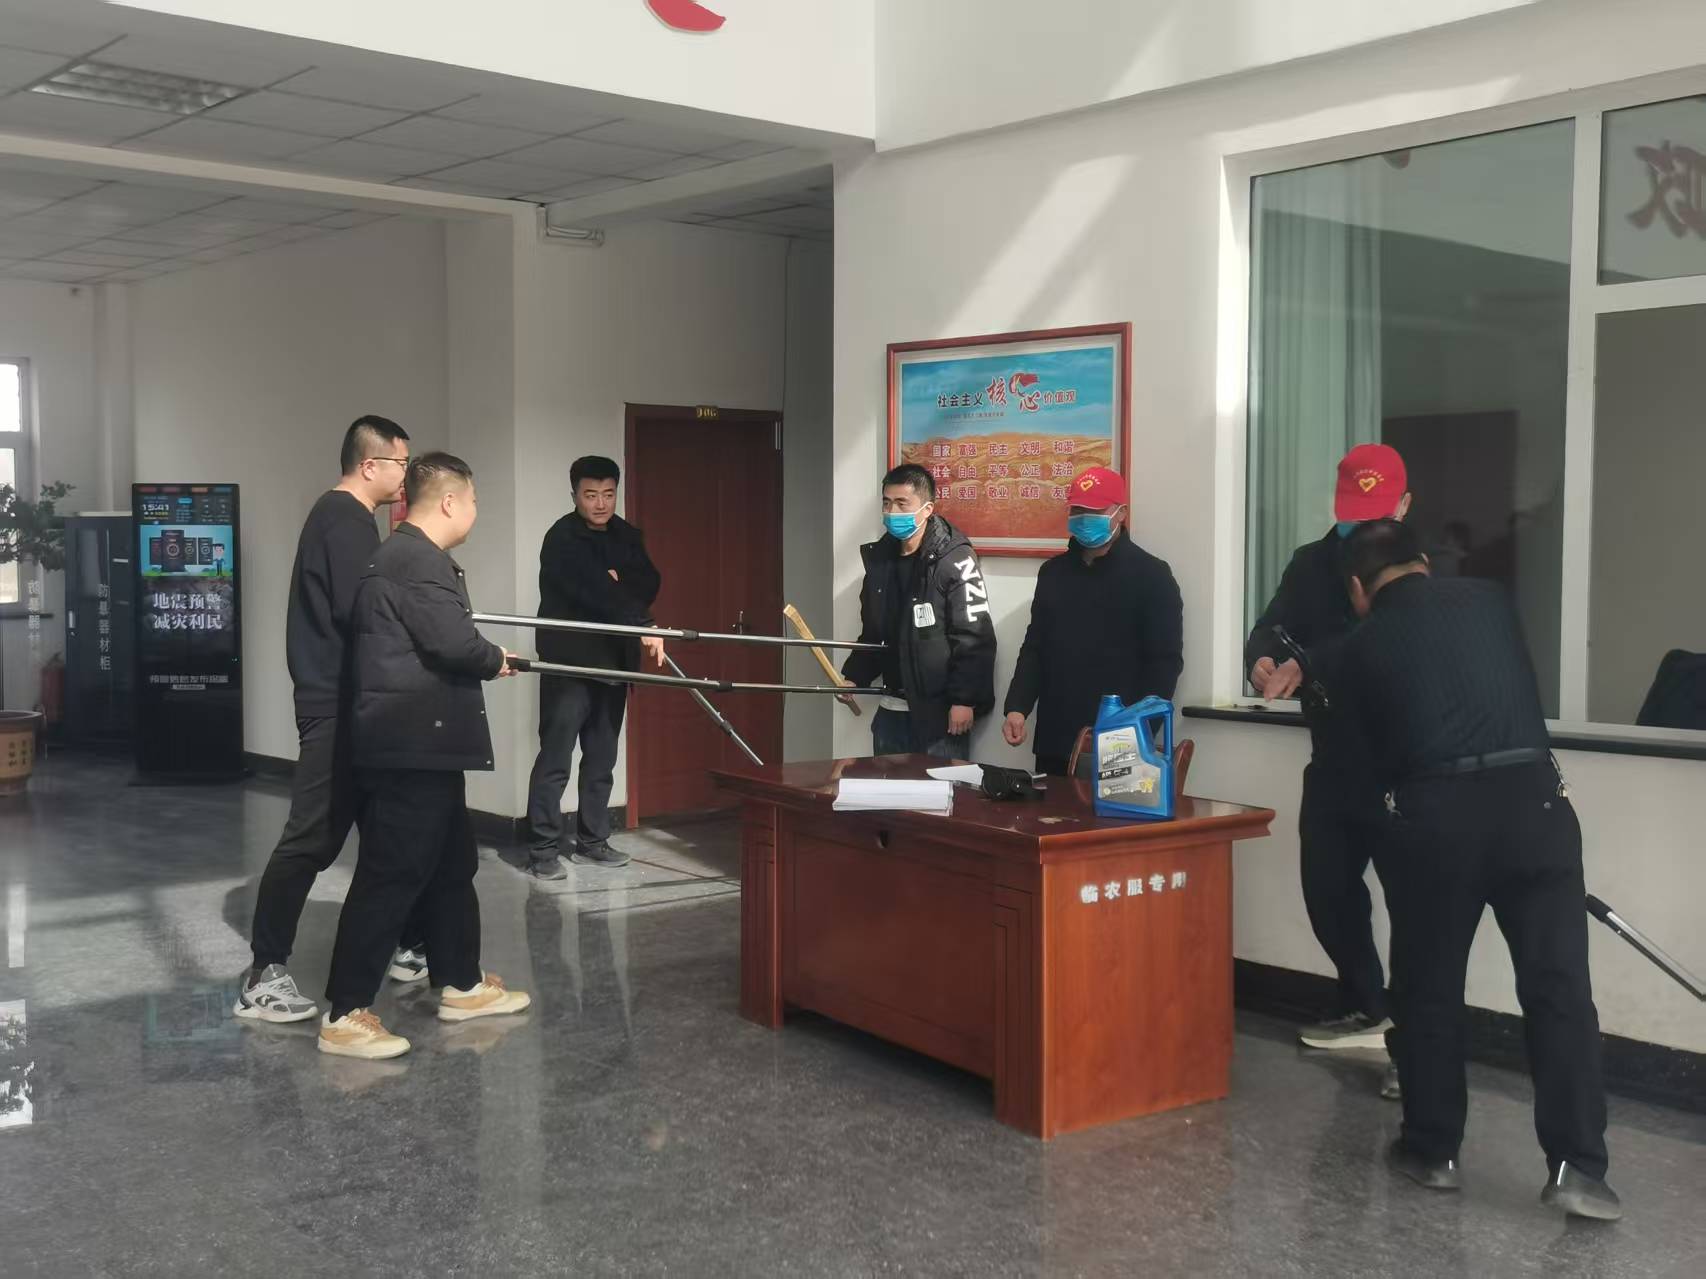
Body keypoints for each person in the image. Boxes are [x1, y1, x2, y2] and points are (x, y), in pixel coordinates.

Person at [1326, 519, 1617, 1220]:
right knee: (1559, 989)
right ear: (1425, 564)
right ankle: (1580, 1167)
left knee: (1428, 989)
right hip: (1537, 809)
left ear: (1358, 588)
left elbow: (1361, 769)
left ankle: (1433, 1152)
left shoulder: (1355, 648)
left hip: (1437, 821)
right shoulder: (1492, 601)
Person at [319, 453, 531, 1060]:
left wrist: (485, 655)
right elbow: (453, 642)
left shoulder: (407, 557)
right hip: (409, 744)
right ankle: (344, 1014)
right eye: (474, 501)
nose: (475, 512)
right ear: (449, 501)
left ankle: (461, 983)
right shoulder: (418, 561)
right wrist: (495, 658)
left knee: (451, 864)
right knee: (390, 875)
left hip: (423, 744)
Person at [236, 415, 428, 1024]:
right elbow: (365, 614)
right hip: (336, 708)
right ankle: (262, 974)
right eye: (401, 463)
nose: (406, 475)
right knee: (311, 838)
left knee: (387, 833)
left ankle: (408, 943)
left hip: (356, 707)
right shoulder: (345, 520)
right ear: (370, 465)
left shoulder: (346, 517)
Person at [1246, 442, 1409, 1055]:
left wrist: (1313, 660)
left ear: (1405, 506)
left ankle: (1414, 1041)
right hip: (1335, 753)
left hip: (1406, 763)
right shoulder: (1311, 562)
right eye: (1352, 515)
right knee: (1327, 886)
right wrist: (1262, 657)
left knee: (1415, 905)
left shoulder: (1423, 569)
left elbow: (1393, 641)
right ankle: (1369, 1007)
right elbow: (1271, 625)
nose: (1360, 530)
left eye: (1375, 516)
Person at [524, 456, 664, 878]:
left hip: (614, 663)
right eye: (590, 495)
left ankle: (593, 841)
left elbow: (649, 582)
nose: (600, 503)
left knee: (602, 758)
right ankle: (542, 850)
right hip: (569, 663)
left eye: (608, 494)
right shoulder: (561, 538)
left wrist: (620, 586)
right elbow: (592, 591)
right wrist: (633, 610)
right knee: (556, 759)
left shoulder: (627, 535)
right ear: (574, 495)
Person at [1001, 466, 1183, 775]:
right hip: (1056, 733)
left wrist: (1139, 731)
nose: (1084, 518)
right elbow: (1035, 647)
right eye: (1077, 510)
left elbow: (1164, 664)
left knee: (1108, 809)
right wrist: (1017, 707)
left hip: (1120, 738)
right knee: (1050, 806)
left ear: (1121, 513)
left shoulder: (1152, 576)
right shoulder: (1053, 573)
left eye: (1094, 511)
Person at [841, 463, 996, 758]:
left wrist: (964, 700)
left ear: (927, 509)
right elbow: (874, 631)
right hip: (891, 710)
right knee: (883, 787)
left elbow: (974, 636)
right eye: (887, 503)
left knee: (941, 787)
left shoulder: (955, 559)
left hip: (940, 715)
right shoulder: (880, 562)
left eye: (902, 504)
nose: (892, 512)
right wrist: (854, 676)